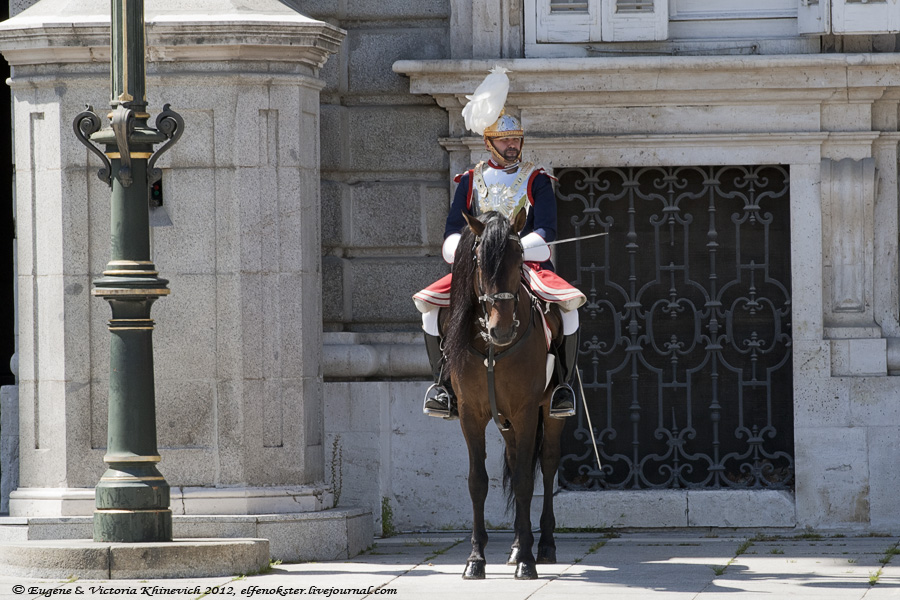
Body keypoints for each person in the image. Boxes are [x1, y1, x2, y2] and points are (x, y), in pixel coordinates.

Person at [413, 67, 586, 421]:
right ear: (489, 142)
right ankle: (442, 386)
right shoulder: (470, 180)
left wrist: (517, 249)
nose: (513, 146)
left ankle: (562, 387)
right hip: (478, 265)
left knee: (570, 307)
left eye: (517, 140)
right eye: (506, 141)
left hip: (526, 262)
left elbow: (548, 228)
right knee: (430, 310)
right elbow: (451, 228)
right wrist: (462, 251)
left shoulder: (536, 178)